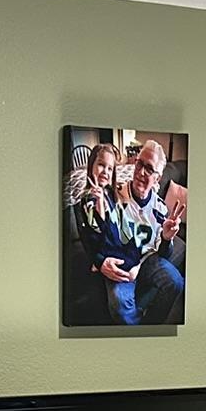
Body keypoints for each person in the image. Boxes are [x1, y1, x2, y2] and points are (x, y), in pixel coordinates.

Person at [78, 139, 185, 326]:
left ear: (158, 178)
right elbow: (91, 233)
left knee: (175, 282)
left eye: (149, 169)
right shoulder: (114, 194)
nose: (141, 172)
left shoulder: (160, 209)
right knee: (119, 303)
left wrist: (167, 238)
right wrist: (100, 261)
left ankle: (151, 327)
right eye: (139, 164)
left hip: (147, 259)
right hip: (123, 259)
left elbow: (164, 254)